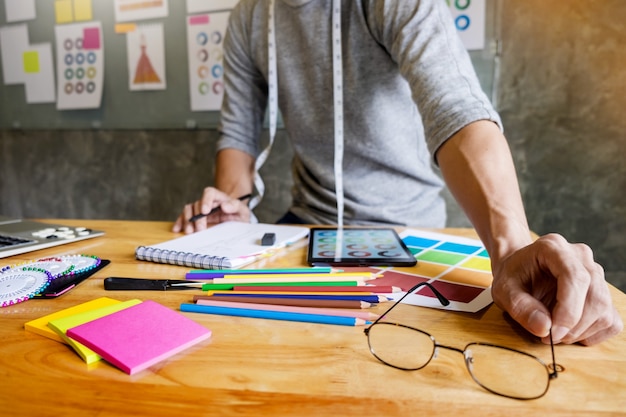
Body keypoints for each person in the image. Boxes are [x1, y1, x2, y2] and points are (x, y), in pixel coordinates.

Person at [173, 0, 622, 345]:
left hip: (410, 227)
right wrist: (234, 206)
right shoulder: (250, 16)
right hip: (308, 223)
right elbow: (238, 135)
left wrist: (510, 247)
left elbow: (456, 109)